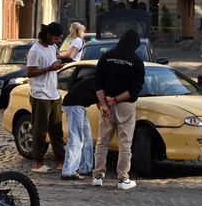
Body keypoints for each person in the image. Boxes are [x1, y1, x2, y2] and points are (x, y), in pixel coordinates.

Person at [92, 29, 145, 190]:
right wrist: (116, 99)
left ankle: (97, 176)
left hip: (105, 103)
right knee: (125, 143)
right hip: (125, 106)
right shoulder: (136, 61)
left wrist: (104, 104)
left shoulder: (106, 57)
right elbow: (135, 89)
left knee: (102, 142)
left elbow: (98, 83)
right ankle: (123, 179)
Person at [26, 22, 65, 173]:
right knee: (40, 130)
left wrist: (57, 64)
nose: (58, 41)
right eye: (56, 38)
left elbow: (52, 66)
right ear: (48, 35)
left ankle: (61, 161)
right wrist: (50, 68)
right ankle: (38, 163)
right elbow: (30, 72)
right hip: (40, 95)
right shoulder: (35, 50)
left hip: (53, 94)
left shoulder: (53, 47)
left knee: (57, 129)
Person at [60, 76, 96, 180]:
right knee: (76, 138)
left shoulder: (100, 79)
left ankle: (85, 168)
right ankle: (68, 171)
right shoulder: (102, 82)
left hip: (78, 106)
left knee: (86, 138)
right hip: (74, 106)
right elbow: (101, 102)